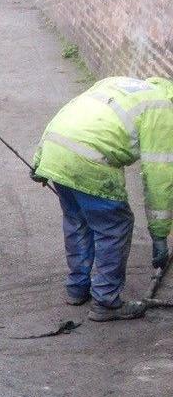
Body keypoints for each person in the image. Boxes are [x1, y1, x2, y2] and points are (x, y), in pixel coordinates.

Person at [31, 76, 173, 322]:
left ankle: (77, 288)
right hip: (89, 160)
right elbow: (158, 177)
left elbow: (71, 110)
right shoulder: (163, 110)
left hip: (56, 149)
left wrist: (39, 160)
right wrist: (159, 235)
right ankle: (106, 301)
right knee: (115, 226)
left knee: (78, 220)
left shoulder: (121, 84)